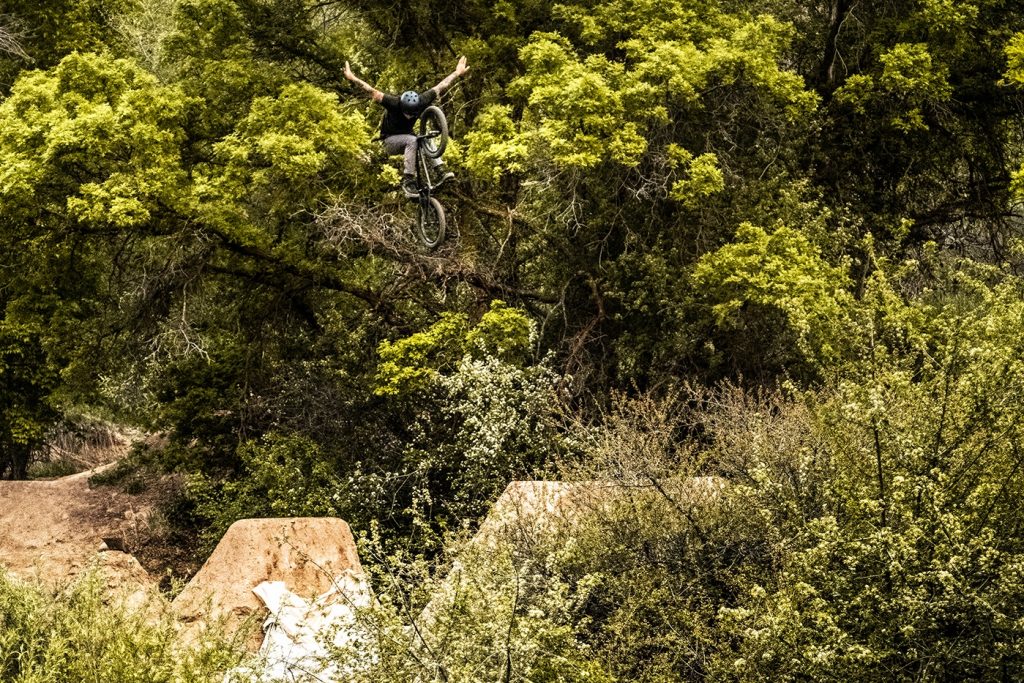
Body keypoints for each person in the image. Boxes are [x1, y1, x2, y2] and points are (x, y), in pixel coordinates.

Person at [344, 57, 469, 197]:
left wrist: (457, 73)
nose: (410, 116)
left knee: (424, 138)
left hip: (408, 137)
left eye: (413, 114)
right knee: (412, 140)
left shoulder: (421, 100)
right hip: (389, 141)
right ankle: (408, 181)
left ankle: (440, 170)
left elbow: (442, 85)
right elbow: (371, 91)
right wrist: (352, 78)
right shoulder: (393, 103)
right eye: (407, 113)